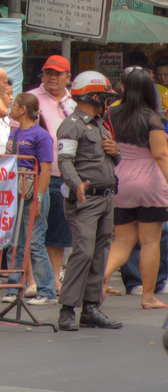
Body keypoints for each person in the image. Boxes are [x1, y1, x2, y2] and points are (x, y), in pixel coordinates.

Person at [55, 70, 122, 332]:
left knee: (100, 252)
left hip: (106, 198)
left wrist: (116, 153)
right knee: (83, 252)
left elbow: (108, 159)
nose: (106, 103)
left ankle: (91, 308)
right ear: (94, 96)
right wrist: (76, 184)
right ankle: (67, 310)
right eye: (104, 98)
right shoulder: (71, 124)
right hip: (85, 200)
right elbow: (64, 161)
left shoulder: (100, 125)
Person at [101, 68, 168, 310]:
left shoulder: (110, 114)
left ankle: (102, 275)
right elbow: (161, 154)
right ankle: (148, 296)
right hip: (150, 183)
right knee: (150, 242)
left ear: (123, 88)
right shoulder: (153, 118)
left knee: (122, 240)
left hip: (120, 180)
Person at [6, 92, 57, 305]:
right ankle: (13, 288)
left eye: (13, 105)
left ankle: (47, 292)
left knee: (35, 243)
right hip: (15, 194)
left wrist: (38, 197)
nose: (10, 108)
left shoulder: (41, 136)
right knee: (14, 243)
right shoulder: (15, 134)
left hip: (33, 194)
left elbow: (45, 170)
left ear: (23, 109)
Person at [31, 56, 76, 292]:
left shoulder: (74, 102)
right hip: (36, 175)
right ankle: (32, 281)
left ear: (68, 77)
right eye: (48, 72)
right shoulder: (31, 98)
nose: (52, 77)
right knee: (34, 231)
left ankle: (54, 279)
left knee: (58, 233)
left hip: (64, 175)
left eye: (57, 74)